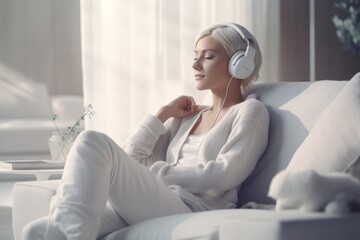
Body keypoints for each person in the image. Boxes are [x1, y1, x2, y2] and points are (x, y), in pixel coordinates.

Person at [23, 22, 269, 240]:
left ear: (240, 64)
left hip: (195, 209)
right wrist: (162, 114)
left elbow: (225, 174)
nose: (195, 64)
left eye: (208, 56)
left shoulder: (250, 111)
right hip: (161, 201)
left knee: (91, 140)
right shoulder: (187, 117)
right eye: (195, 55)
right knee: (35, 232)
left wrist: (158, 173)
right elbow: (129, 159)